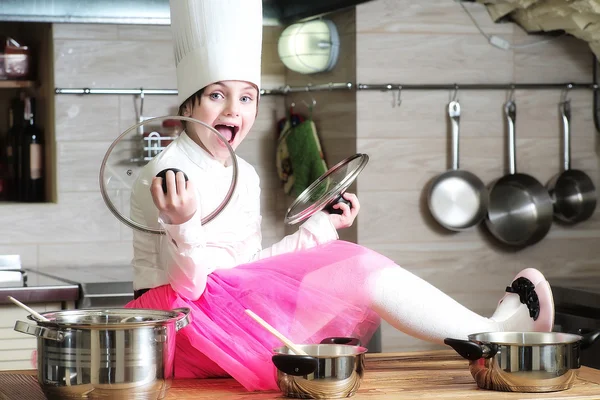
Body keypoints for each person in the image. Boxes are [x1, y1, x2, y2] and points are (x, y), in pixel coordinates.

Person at [125, 0, 555, 392]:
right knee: (356, 266)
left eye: (246, 98)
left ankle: (483, 342)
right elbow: (189, 287)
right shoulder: (165, 175)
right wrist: (183, 226)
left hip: (222, 320)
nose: (233, 111)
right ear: (187, 105)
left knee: (350, 262)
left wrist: (319, 229)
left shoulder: (246, 174)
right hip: (176, 334)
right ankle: (489, 338)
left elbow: (248, 270)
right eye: (217, 95)